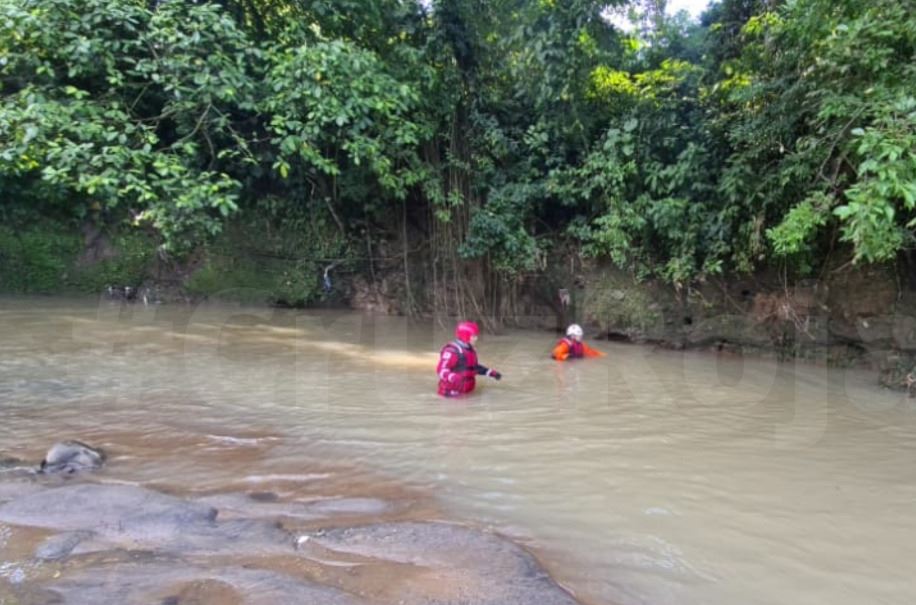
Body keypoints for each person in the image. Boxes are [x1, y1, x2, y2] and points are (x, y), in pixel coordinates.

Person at [436, 321, 502, 397]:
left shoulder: (469, 350)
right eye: (473, 336)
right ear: (465, 335)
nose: (476, 338)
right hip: (451, 394)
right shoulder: (451, 351)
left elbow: (474, 368)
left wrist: (491, 373)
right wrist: (452, 377)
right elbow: (440, 370)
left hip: (466, 392)